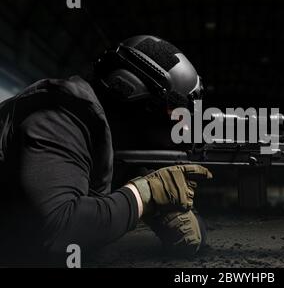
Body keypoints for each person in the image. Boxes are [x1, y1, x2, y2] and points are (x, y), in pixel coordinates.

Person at [0, 35, 211, 266]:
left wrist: (176, 214)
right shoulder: (59, 117)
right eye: (173, 117)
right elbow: (57, 231)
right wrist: (144, 195)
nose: (178, 132)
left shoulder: (108, 140)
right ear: (129, 91)